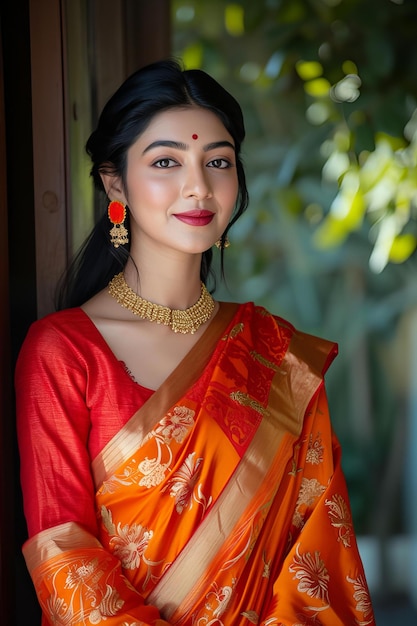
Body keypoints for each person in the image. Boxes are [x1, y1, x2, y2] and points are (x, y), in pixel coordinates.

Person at [15, 58, 376, 626]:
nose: (199, 186)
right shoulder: (63, 352)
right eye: (166, 161)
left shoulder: (278, 354)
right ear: (115, 182)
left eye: (218, 161)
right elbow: (64, 552)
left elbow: (319, 550)